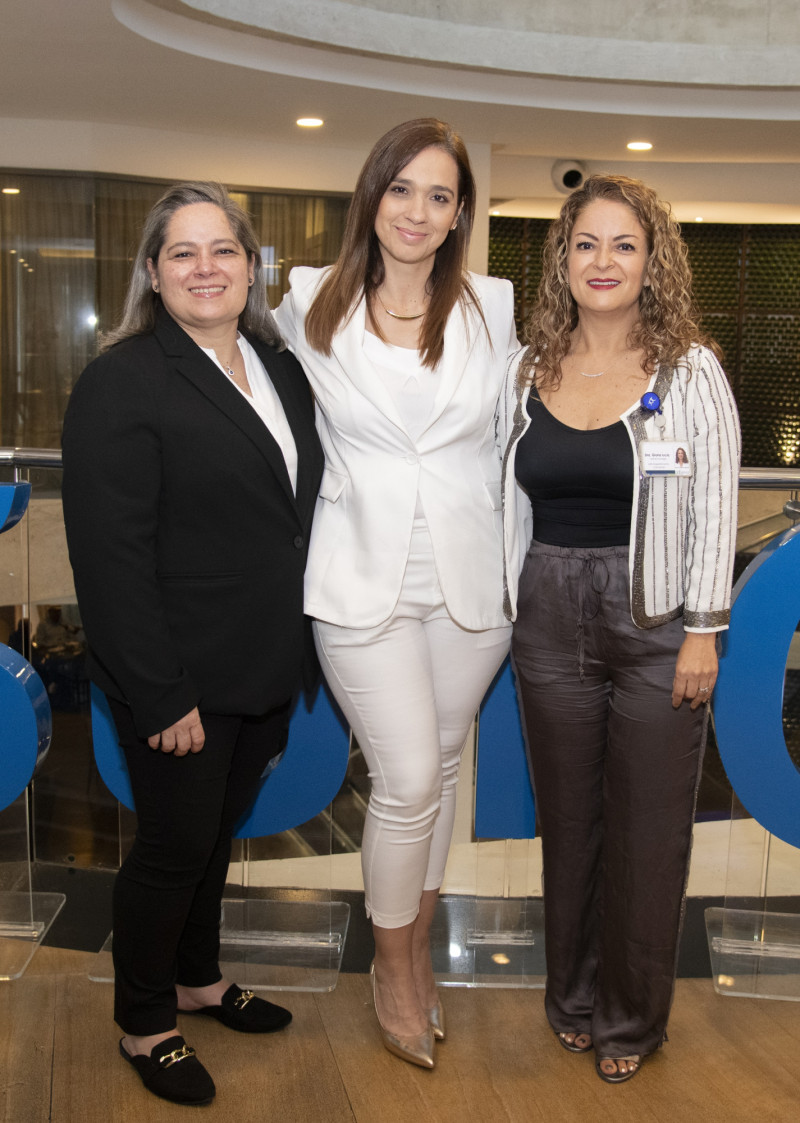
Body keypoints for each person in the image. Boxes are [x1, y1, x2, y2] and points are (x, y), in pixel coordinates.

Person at [62, 182, 324, 1107]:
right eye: (183, 252)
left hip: (262, 662)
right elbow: (109, 557)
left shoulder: (279, 367)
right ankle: (144, 1021)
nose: (206, 268)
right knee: (173, 847)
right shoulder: (123, 379)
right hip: (176, 674)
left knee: (216, 838)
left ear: (252, 268)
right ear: (152, 272)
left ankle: (198, 979)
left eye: (224, 251)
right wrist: (160, 690)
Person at [274, 118, 517, 1069]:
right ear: (372, 195)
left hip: (471, 585)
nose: (419, 211)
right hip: (357, 579)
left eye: (441, 194)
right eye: (403, 188)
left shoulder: (492, 307)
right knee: (409, 778)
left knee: (443, 772)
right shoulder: (307, 301)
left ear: (461, 213)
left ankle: (415, 955)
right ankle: (395, 963)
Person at [500, 174, 740, 1083]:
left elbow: (716, 504)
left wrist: (703, 631)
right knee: (567, 823)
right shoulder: (527, 369)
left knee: (648, 833)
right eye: (585, 243)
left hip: (659, 623)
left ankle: (632, 1020)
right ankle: (572, 996)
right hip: (547, 616)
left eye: (624, 245)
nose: (603, 261)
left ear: (653, 262)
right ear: (562, 258)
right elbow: (500, 498)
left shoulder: (692, 371)